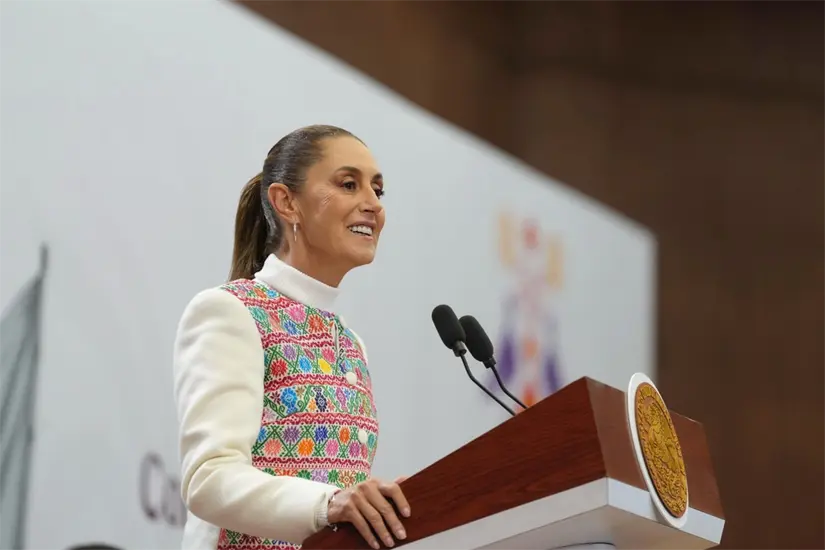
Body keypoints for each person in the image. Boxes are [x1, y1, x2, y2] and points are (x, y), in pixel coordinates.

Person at [173, 125, 409, 550]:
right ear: (286, 202)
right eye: (348, 184)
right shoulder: (233, 310)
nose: (373, 205)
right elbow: (209, 478)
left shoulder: (351, 345)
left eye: (378, 190)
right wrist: (329, 503)